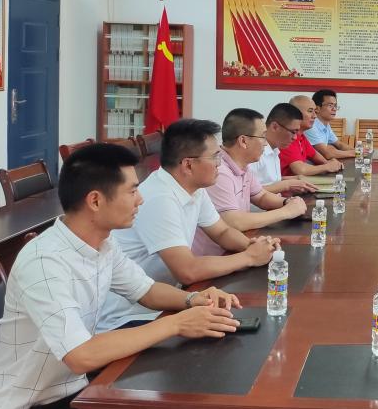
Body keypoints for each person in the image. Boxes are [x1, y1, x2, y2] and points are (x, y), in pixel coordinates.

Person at [0, 143, 241, 409]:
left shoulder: (101, 243)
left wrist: (192, 300)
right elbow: (81, 355)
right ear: (96, 201)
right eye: (132, 191)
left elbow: (146, 290)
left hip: (69, 394)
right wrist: (176, 325)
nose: (140, 200)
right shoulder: (45, 262)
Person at [97, 119, 283, 331]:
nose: (220, 164)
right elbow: (187, 270)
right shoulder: (159, 198)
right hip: (130, 318)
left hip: (167, 301)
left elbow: (221, 231)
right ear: (188, 165)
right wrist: (249, 258)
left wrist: (253, 247)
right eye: (215, 157)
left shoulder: (194, 188)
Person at [199, 108, 309, 254]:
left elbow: (261, 196)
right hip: (216, 256)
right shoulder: (219, 171)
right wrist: (286, 212)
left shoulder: (243, 166)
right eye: (262, 137)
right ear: (243, 141)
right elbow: (234, 221)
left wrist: (287, 202)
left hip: (239, 245)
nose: (265, 144)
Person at [251, 102, 320, 193]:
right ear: (275, 127)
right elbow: (248, 192)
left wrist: (295, 179)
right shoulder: (254, 152)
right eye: (293, 132)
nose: (295, 137)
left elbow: (270, 182)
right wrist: (287, 185)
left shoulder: (275, 149)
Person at [281, 94, 343, 177]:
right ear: (295, 113)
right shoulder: (287, 136)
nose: (315, 116)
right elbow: (300, 170)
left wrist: (332, 164)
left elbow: (315, 156)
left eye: (315, 111)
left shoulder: (301, 136)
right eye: (310, 111)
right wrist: (327, 167)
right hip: (284, 184)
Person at [306, 89, 355, 161]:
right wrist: (356, 153)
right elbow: (327, 154)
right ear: (317, 108)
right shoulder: (311, 126)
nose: (334, 109)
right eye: (330, 105)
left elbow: (339, 145)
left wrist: (358, 151)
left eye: (335, 106)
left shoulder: (325, 124)